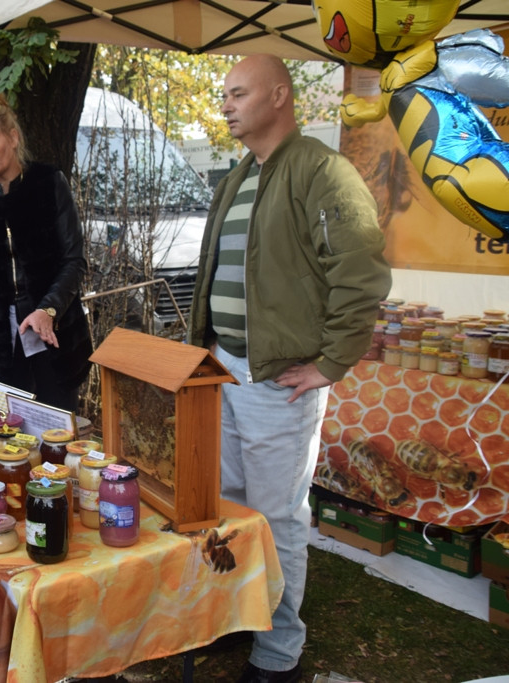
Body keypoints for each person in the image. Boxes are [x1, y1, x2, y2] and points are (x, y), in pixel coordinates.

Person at [187, 55, 391, 683]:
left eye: (238, 93)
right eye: (224, 94)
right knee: (229, 507)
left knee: (277, 518)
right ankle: (242, 618)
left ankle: (279, 653)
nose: (225, 104)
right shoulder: (239, 175)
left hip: (277, 379)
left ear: (279, 96)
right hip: (222, 370)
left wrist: (330, 363)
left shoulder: (322, 171)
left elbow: (361, 276)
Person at [0, 87, 92, 412]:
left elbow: (74, 260)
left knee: (57, 440)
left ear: (12, 137)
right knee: (2, 443)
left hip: (54, 341)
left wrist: (48, 309)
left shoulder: (49, 183)